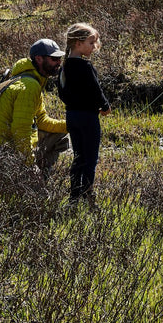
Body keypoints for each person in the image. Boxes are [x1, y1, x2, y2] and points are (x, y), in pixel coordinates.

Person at [0, 38, 70, 173]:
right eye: (54, 58)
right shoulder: (29, 86)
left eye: (59, 59)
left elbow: (41, 121)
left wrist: (73, 125)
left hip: (3, 142)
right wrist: (29, 165)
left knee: (60, 134)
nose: (59, 63)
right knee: (31, 173)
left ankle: (38, 174)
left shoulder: (31, 79)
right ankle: (37, 177)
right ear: (39, 59)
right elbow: (21, 130)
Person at [57, 22, 110, 201]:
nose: (94, 47)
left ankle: (74, 196)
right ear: (78, 44)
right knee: (90, 158)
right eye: (90, 42)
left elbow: (61, 93)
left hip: (71, 116)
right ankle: (88, 195)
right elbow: (96, 90)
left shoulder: (63, 68)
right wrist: (104, 106)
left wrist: (74, 104)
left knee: (78, 156)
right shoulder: (86, 67)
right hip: (88, 118)